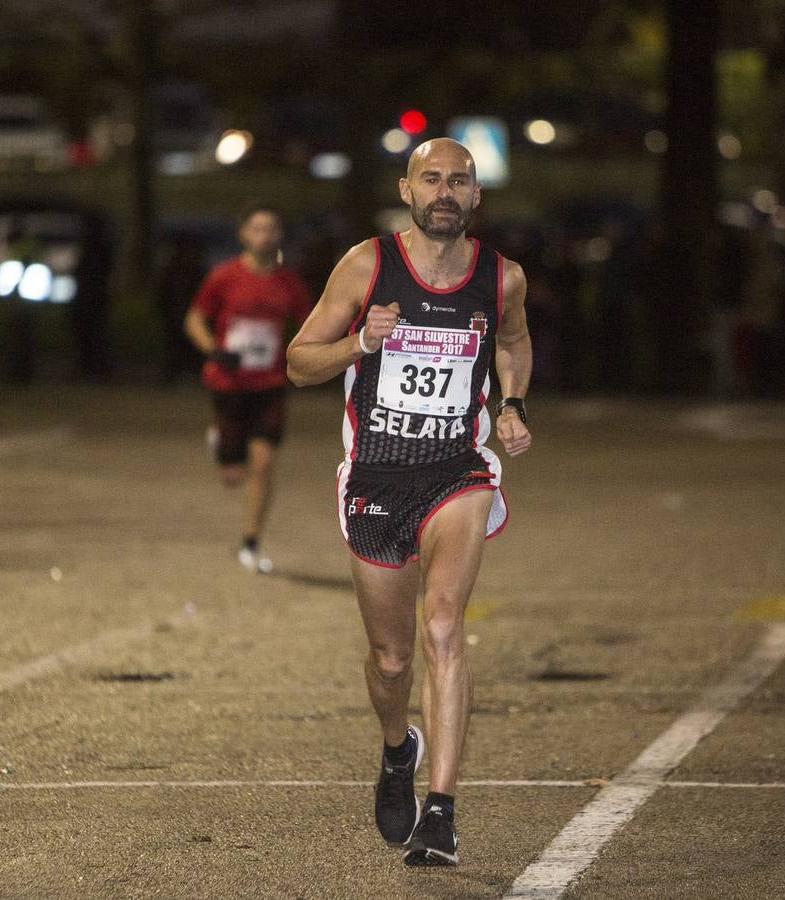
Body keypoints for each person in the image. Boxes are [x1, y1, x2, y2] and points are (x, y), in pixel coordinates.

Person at [286, 138, 532, 867]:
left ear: (476, 195)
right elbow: (300, 361)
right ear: (407, 189)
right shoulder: (366, 265)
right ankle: (399, 750)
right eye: (432, 179)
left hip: (456, 472)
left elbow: (513, 344)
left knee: (443, 628)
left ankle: (442, 811)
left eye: (459, 180)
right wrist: (359, 342)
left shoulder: (502, 277)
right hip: (375, 480)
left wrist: (512, 403)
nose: (445, 191)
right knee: (391, 662)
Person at [184, 204, 313, 573]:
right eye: (256, 228)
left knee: (264, 463)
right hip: (228, 383)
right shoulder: (224, 277)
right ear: (243, 234)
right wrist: (213, 350)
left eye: (271, 228)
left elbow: (310, 323)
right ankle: (221, 443)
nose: (264, 235)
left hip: (269, 383)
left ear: (279, 235)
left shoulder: (290, 283)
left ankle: (250, 542)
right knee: (232, 476)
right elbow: (193, 319)